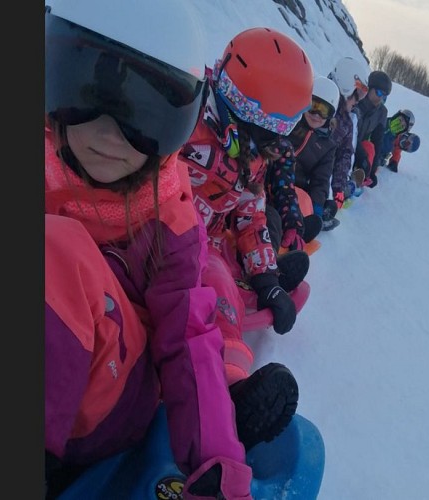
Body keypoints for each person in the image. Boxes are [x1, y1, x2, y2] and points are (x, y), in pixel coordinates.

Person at [44, 3, 298, 499]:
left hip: (116, 380)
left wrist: (266, 273)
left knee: (209, 284)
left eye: (147, 116)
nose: (108, 134)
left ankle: (230, 386)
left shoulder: (172, 219)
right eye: (85, 94)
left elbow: (188, 337)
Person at [177, 28, 313, 377]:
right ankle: (229, 377)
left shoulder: (252, 153)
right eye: (267, 128)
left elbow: (251, 217)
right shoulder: (185, 126)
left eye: (281, 129)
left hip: (212, 237)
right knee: (215, 278)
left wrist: (265, 279)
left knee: (230, 260)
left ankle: (260, 276)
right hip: (169, 241)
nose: (271, 141)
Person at [265, 75, 340, 245]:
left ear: (330, 116)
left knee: (303, 201)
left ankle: (301, 229)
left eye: (324, 111)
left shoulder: (328, 146)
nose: (316, 115)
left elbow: (320, 180)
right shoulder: (290, 122)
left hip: (295, 189)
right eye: (313, 106)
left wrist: (317, 207)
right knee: (273, 207)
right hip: (270, 176)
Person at [322, 57, 370, 230]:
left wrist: (338, 190)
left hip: (321, 177)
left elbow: (344, 156)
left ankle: (346, 188)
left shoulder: (347, 122)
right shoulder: (319, 100)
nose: (358, 101)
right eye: (358, 95)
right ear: (346, 86)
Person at [352, 70, 392, 188]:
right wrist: (361, 156)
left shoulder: (381, 112)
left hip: (359, 150)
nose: (380, 98)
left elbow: (377, 141)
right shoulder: (355, 100)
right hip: (345, 143)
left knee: (369, 147)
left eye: (384, 96)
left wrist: (372, 171)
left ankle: (358, 179)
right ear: (369, 88)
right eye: (379, 93)